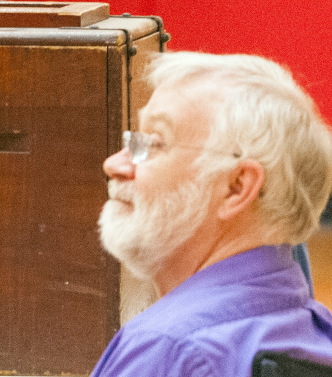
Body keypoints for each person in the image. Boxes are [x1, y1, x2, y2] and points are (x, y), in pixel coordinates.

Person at [93, 50, 332, 376]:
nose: (115, 164)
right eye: (136, 139)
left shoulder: (167, 350)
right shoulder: (316, 330)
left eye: (155, 142)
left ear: (236, 187)